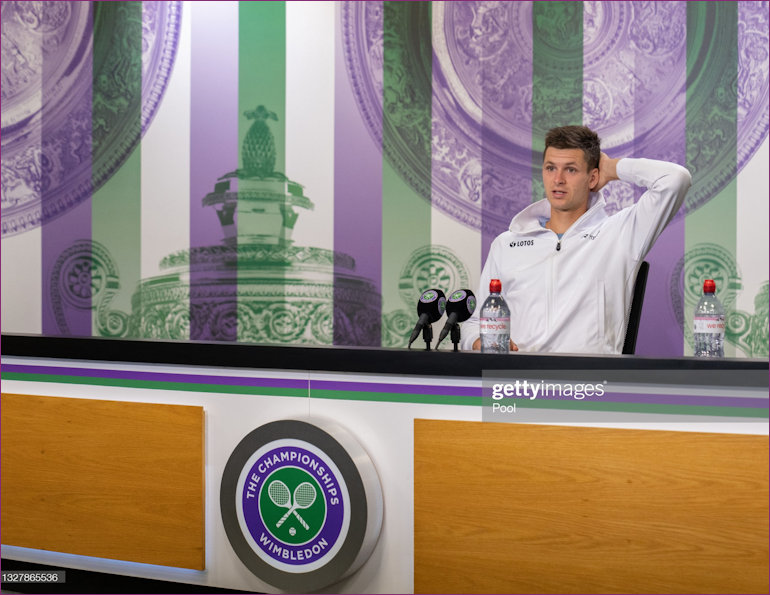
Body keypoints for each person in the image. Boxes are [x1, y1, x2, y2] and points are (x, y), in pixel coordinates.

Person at [461, 125, 692, 354]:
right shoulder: (507, 244)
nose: (558, 179)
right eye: (550, 168)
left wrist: (611, 168)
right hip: (521, 382)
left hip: (590, 384)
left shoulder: (621, 233)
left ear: (592, 178)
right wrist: (478, 342)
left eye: (570, 170)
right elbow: (472, 325)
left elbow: (675, 179)